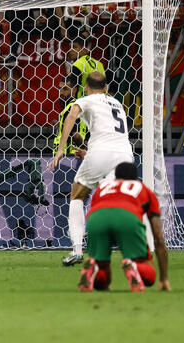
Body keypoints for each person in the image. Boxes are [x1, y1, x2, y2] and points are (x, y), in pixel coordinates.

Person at [50, 72, 134, 267]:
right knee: (117, 201)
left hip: (100, 153)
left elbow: (71, 115)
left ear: (86, 87)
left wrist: (61, 149)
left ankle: (77, 250)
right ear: (105, 88)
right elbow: (111, 136)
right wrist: (88, 152)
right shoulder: (117, 104)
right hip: (125, 155)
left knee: (77, 196)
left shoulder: (85, 99)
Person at [78, 161, 171, 292]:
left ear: (115, 176)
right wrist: (164, 279)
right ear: (136, 177)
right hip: (127, 217)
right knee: (148, 276)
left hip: (96, 218)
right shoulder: (144, 189)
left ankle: (94, 267)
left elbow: (94, 208)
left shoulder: (104, 186)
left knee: (102, 279)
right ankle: (135, 266)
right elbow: (159, 239)